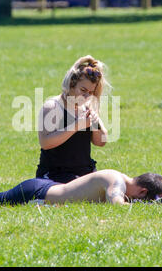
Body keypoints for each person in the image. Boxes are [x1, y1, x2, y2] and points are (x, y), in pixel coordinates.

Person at [0, 169, 162, 208]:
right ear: (142, 192)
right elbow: (116, 203)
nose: (138, 204)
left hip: (47, 186)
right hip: (37, 193)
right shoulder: (118, 183)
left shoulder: (120, 177)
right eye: (143, 202)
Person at [36, 55, 111, 183]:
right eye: (83, 90)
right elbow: (45, 143)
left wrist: (95, 123)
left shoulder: (86, 107)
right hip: (55, 174)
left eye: (91, 92)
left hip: (84, 172)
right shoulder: (53, 106)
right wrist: (76, 126)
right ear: (71, 83)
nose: (87, 96)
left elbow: (101, 142)